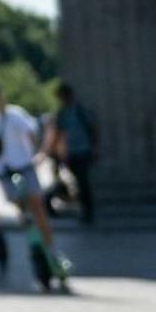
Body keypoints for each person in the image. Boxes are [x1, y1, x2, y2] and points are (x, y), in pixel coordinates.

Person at [0, 80, 63, 258]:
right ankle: (30, 227)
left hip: (24, 166)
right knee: (19, 203)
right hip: (3, 171)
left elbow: (31, 134)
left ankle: (52, 249)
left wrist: (39, 154)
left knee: (38, 206)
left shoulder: (15, 114)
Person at [50, 81, 100, 224]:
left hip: (83, 150)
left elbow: (93, 128)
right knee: (75, 183)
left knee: (83, 182)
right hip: (70, 152)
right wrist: (57, 153)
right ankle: (80, 208)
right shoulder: (62, 114)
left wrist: (95, 148)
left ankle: (87, 211)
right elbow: (58, 134)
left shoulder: (80, 111)